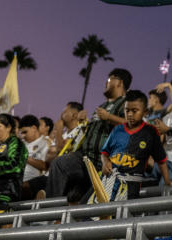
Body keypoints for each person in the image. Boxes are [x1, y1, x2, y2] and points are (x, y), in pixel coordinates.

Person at [44, 69, 131, 204]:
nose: (105, 83)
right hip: (85, 156)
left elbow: (132, 124)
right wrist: (83, 124)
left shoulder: (126, 104)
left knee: (81, 199)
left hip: (105, 161)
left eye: (109, 80)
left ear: (119, 82)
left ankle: (64, 216)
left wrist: (109, 117)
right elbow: (94, 131)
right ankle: (48, 212)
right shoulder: (103, 105)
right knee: (60, 164)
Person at [100, 90, 172, 199]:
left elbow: (161, 160)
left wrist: (167, 182)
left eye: (134, 111)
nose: (129, 114)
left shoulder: (150, 132)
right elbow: (105, 152)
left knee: (118, 214)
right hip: (107, 181)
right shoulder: (117, 130)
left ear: (145, 112)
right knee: (90, 211)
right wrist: (105, 162)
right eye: (127, 110)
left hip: (130, 185)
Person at [18, 114, 49, 199]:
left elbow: (45, 166)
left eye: (25, 132)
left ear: (34, 128)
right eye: (21, 133)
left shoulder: (46, 144)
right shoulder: (20, 144)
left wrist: (25, 157)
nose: (23, 136)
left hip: (33, 183)